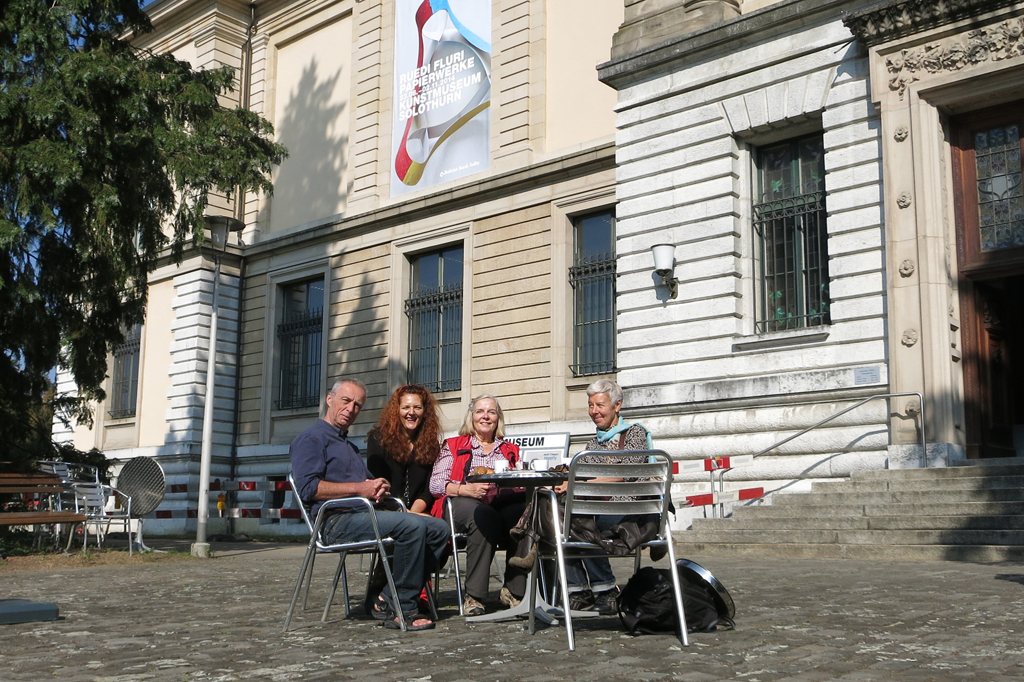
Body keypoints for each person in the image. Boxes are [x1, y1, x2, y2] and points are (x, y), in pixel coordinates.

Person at [289, 378, 450, 631]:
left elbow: (365, 486)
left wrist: (377, 488)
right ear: (329, 399)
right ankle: (403, 608)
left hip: (364, 513)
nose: (351, 409)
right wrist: (360, 488)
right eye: (346, 401)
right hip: (334, 522)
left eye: (357, 405)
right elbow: (309, 488)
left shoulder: (347, 445)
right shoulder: (311, 438)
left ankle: (386, 597)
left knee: (439, 529)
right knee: (412, 526)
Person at [557, 379, 654, 614]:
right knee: (559, 516)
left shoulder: (635, 433)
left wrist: (579, 485)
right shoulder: (593, 443)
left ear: (617, 405)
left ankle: (603, 589)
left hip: (630, 513)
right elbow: (580, 475)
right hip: (598, 510)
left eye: (599, 405)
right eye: (590, 405)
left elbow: (625, 472)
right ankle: (580, 590)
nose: (594, 411)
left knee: (575, 520)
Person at [428, 394, 528, 616]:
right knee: (483, 515)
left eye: (491, 412)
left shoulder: (509, 449)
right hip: (460, 503)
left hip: (500, 502)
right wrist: (464, 489)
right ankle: (474, 596)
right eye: (480, 411)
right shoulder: (453, 446)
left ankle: (514, 591)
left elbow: (520, 481)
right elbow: (435, 484)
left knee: (523, 515)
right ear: (471, 417)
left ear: (498, 418)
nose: (486, 416)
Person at [366, 384, 442, 514]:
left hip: (418, 512)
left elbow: (428, 489)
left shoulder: (431, 443)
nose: (411, 412)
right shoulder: (378, 439)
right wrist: (406, 515)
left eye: (417, 407)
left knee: (441, 526)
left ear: (425, 412)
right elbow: (378, 485)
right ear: (396, 411)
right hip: (386, 510)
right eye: (406, 407)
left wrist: (413, 514)